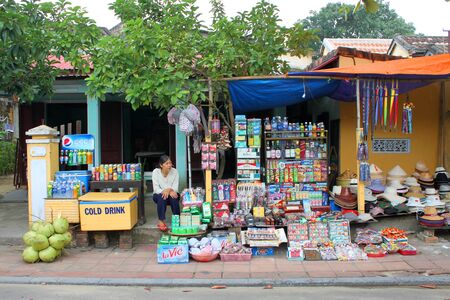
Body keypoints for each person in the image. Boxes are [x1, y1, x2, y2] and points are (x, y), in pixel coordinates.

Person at [152, 155, 180, 231]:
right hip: (159, 194)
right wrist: (166, 191)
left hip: (172, 193)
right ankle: (161, 221)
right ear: (161, 165)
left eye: (170, 163)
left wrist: (169, 190)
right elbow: (156, 188)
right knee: (162, 197)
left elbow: (175, 188)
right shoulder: (155, 172)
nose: (169, 165)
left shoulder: (175, 172)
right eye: (167, 163)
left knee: (174, 197)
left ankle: (177, 219)